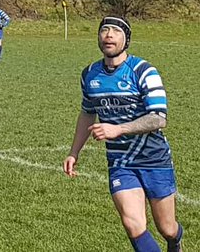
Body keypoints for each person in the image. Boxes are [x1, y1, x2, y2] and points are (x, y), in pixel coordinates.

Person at [63, 16, 183, 252]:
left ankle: (175, 241)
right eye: (104, 30)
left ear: (126, 40)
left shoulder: (143, 71)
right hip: (120, 162)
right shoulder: (90, 74)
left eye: (115, 31)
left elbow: (159, 118)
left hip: (154, 159)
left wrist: (118, 129)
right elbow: (87, 113)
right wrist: (73, 152)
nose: (108, 35)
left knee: (166, 227)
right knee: (132, 223)